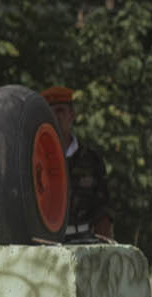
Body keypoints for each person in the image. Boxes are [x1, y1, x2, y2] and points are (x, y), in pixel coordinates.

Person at [43, 86, 113, 241]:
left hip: (85, 242)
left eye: (61, 111)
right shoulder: (37, 159)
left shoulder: (91, 159)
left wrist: (105, 246)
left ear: (72, 115)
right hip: (48, 244)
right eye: (51, 112)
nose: (56, 117)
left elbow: (103, 210)